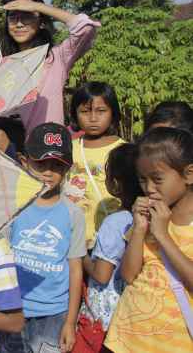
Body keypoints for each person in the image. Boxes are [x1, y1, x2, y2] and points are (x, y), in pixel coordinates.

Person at [0, 123, 86, 353]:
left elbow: (75, 268)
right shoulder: (13, 207)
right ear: (24, 162)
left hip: (54, 315)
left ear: (67, 169)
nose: (48, 171)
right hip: (11, 309)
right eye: (41, 163)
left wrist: (70, 322)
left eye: (57, 165)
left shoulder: (73, 214)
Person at [105, 127, 193, 352]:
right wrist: (139, 228)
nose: (149, 189)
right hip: (124, 339)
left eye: (157, 179)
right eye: (142, 180)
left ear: (189, 174)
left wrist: (163, 236)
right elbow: (128, 275)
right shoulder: (148, 215)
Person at [0, 0, 100, 134]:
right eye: (13, 17)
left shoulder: (57, 58)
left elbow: (86, 28)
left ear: (41, 22)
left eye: (27, 17)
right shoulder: (1, 64)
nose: (19, 24)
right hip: (3, 149)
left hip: (46, 148)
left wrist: (38, 6)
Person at [76, 143, 140, 350]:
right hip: (129, 315)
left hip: (102, 319)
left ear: (115, 184)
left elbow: (102, 275)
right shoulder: (144, 217)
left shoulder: (115, 222)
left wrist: (82, 254)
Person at [64, 82, 125, 248]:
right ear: (75, 115)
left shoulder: (123, 150)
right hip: (71, 234)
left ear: (113, 113)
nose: (92, 118)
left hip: (109, 236)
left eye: (101, 111)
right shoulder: (69, 147)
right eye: (84, 111)